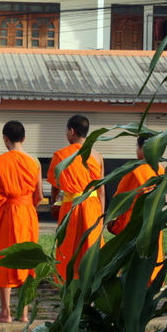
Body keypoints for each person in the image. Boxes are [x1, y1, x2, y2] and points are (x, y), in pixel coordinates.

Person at [0, 120, 42, 323]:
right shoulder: (34, 162)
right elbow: (40, 196)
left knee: (6, 258)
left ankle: (5, 312)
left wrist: (4, 207)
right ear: (24, 138)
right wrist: (26, 204)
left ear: (5, 139)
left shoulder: (0, 162)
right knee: (26, 258)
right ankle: (24, 312)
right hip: (28, 213)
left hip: (9, 212)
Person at [48, 114, 105, 281]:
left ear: (71, 131)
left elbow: (55, 186)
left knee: (68, 247)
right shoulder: (97, 156)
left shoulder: (61, 155)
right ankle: (91, 287)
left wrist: (53, 204)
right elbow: (101, 189)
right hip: (92, 206)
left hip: (70, 205)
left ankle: (68, 284)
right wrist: (101, 215)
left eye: (66, 130)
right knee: (91, 246)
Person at [108, 134, 165, 281]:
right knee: (153, 253)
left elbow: (120, 198)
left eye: (137, 146)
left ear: (142, 148)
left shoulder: (134, 170)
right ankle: (152, 282)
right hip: (154, 218)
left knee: (133, 257)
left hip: (135, 221)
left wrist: (112, 219)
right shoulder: (161, 169)